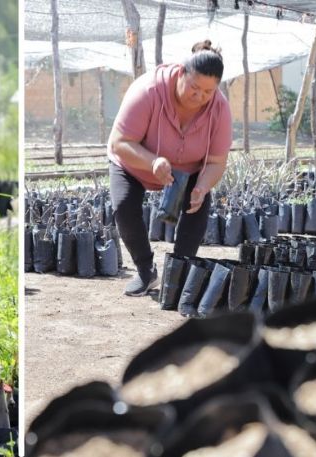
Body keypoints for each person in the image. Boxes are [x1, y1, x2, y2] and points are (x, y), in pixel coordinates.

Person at [107, 40, 232, 296]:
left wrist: (202, 185)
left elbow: (217, 161)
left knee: (197, 206)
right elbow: (120, 143)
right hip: (137, 162)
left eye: (208, 92)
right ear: (181, 73)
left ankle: (178, 275)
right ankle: (145, 271)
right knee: (124, 208)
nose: (200, 97)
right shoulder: (148, 90)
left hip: (188, 170)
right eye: (195, 88)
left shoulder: (219, 108)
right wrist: (152, 161)